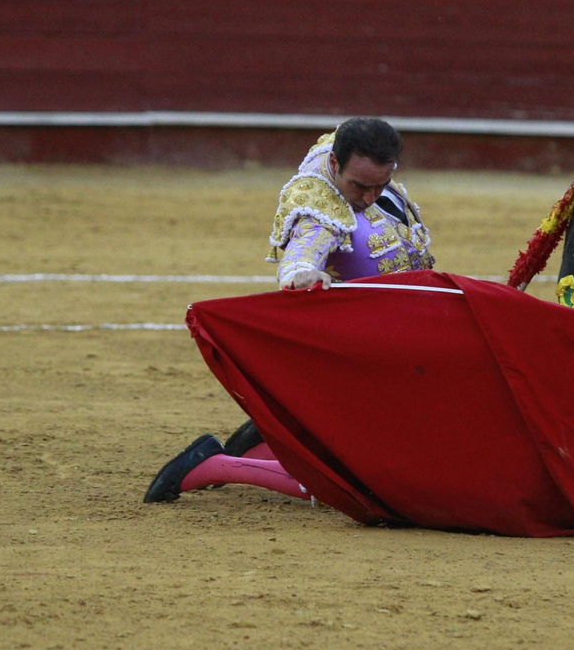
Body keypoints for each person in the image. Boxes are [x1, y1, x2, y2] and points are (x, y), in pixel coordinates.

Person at [143, 117, 435, 504]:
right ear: (334, 165)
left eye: (380, 185)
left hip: (401, 344)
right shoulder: (319, 208)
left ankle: (270, 443)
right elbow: (301, 254)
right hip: (360, 358)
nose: (369, 197)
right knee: (366, 484)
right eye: (359, 186)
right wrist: (302, 273)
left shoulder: (355, 161)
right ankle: (212, 464)